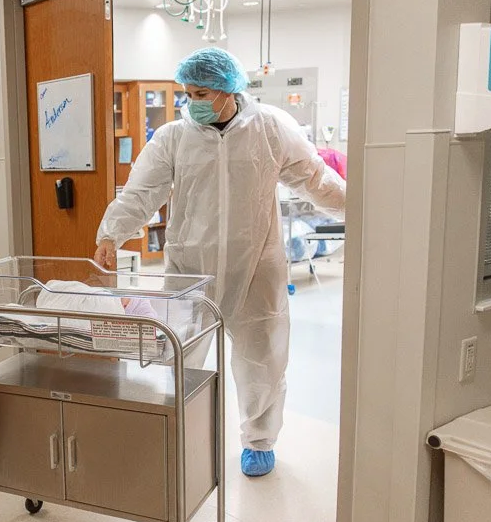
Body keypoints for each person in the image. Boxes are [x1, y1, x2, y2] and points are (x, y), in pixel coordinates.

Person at [94, 48, 345, 478]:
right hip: (190, 268)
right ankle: (176, 432)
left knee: (261, 357)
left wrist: (359, 210)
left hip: (256, 267)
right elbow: (141, 191)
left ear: (229, 90)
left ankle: (259, 441)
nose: (194, 102)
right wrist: (110, 233)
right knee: (179, 352)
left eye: (203, 92)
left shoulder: (270, 127)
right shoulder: (174, 136)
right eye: (188, 93)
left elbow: (315, 178)